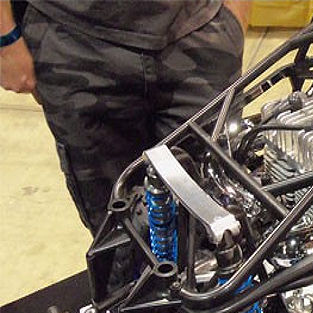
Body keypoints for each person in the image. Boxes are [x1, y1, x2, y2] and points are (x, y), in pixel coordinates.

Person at [0, 0, 251, 234]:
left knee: (223, 225)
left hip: (200, 32)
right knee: (120, 238)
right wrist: (5, 39)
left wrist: (235, 16)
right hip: (74, 42)